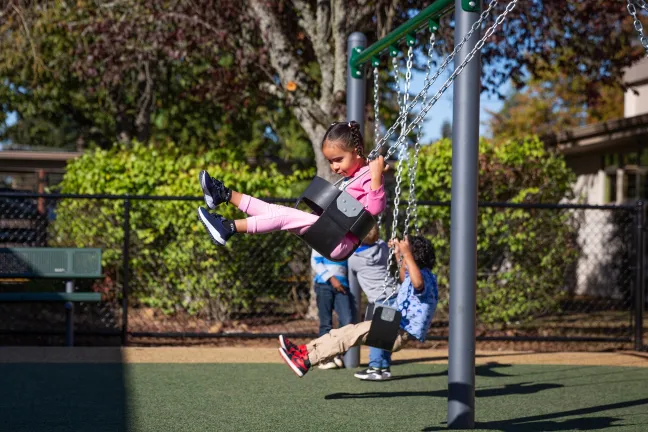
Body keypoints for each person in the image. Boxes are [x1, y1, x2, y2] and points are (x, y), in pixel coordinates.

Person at [196, 121, 386, 261]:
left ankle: (227, 228)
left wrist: (377, 177)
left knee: (283, 216)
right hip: (330, 230)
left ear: (357, 150)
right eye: (330, 161)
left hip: (339, 240)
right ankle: (224, 195)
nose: (334, 167)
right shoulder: (353, 176)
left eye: (338, 159)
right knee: (276, 211)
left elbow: (375, 209)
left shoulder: (370, 174)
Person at [277, 235, 438, 378]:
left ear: (413, 255)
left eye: (406, 253)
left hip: (397, 332)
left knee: (347, 337)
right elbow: (405, 277)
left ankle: (307, 361)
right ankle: (304, 351)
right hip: (393, 327)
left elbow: (417, 283)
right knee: (343, 332)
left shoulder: (423, 279)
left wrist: (407, 254)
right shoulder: (425, 274)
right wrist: (398, 254)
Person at [347, 225, 398, 381]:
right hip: (394, 295)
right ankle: (385, 367)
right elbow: (380, 241)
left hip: (379, 299)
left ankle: (375, 368)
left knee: (375, 335)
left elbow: (344, 254)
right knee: (386, 335)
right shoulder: (382, 248)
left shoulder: (354, 259)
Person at [311, 248, 353, 370]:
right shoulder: (321, 238)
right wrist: (331, 278)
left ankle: (336, 354)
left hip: (343, 286)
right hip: (324, 285)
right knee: (326, 323)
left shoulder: (347, 241)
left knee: (346, 321)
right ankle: (323, 359)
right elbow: (315, 261)